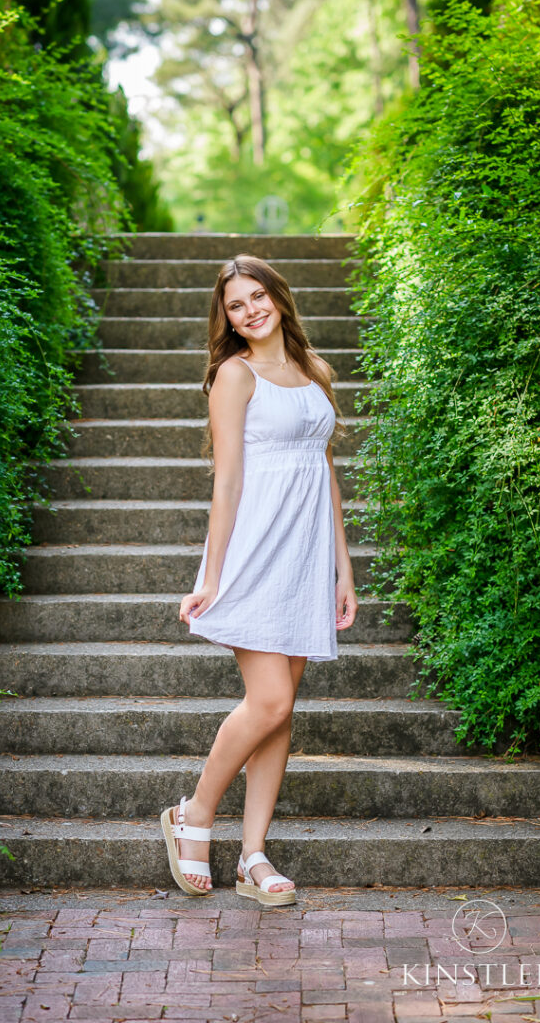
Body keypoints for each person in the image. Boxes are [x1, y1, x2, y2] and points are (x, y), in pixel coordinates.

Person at [161, 254, 358, 905]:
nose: (249, 311)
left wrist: (341, 569)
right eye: (235, 306)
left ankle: (252, 856)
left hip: (305, 557)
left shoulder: (314, 372)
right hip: (254, 549)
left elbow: (325, 473)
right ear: (227, 320)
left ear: (278, 296)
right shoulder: (233, 376)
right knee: (268, 700)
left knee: (280, 714)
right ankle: (194, 814)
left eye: (257, 296)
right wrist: (212, 575)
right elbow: (226, 481)